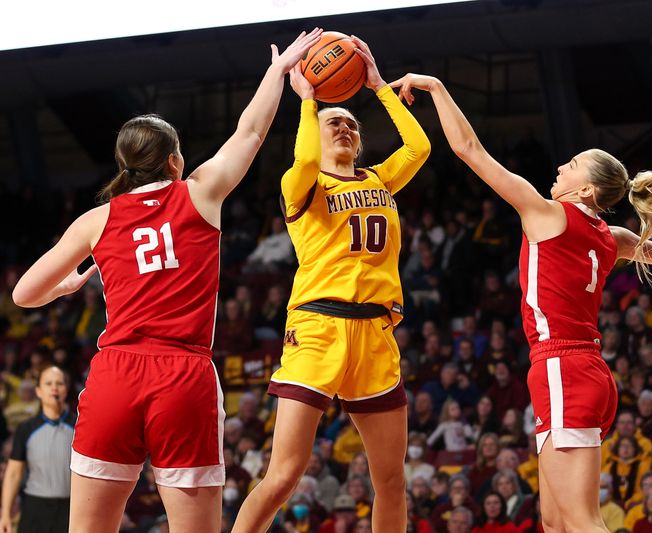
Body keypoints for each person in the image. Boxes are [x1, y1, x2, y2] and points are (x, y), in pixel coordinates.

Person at [387, 72, 652, 533]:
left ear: (586, 189)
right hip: (583, 371)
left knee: (582, 521)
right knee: (553, 522)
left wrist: (436, 88)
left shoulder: (546, 214)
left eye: (570, 165)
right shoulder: (611, 237)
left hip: (562, 367)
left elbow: (470, 150)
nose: (559, 168)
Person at [11, 29, 323, 533]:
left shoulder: (97, 220)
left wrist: (66, 286)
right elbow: (250, 133)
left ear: (125, 167)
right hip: (182, 376)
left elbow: (24, 293)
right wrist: (277, 70)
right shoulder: (199, 193)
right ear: (175, 161)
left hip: (116, 374)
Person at [233, 36, 430, 533]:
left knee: (390, 481)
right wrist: (307, 102)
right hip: (317, 329)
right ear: (315, 134)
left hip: (376, 336)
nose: (344, 127)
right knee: (283, 475)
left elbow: (420, 146)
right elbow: (301, 162)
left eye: (351, 124)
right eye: (333, 123)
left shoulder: (380, 180)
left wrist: (379, 86)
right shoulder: (301, 185)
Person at [0, 366, 74, 533]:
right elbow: (13, 474)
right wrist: (5, 514)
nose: (54, 387)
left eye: (59, 383)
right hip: (35, 509)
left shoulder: (79, 427)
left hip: (70, 510)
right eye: (48, 383)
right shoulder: (25, 429)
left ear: (66, 390)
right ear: (39, 391)